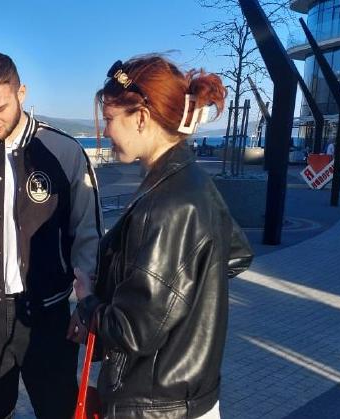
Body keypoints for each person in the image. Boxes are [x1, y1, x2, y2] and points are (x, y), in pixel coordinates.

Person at [69, 56, 254, 419]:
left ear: (140, 118)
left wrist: (88, 300)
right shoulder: (193, 181)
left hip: (155, 405)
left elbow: (132, 330)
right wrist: (185, 312)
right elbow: (235, 254)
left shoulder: (165, 204)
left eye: (109, 119)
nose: (106, 132)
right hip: (192, 396)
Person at [0, 52, 103, 419]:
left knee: (57, 408)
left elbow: (88, 233)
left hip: (49, 313)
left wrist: (86, 303)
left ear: (22, 93)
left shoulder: (64, 151)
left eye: (0, 108)